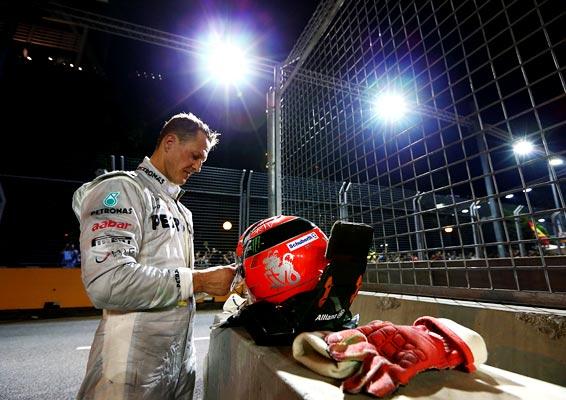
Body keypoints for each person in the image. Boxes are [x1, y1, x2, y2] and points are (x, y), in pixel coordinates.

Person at [72, 112, 237, 399]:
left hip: (178, 366)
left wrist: (218, 282)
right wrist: (198, 281)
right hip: (127, 368)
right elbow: (108, 281)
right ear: (169, 142)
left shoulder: (182, 211)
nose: (198, 167)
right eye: (195, 156)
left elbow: (177, 287)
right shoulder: (122, 188)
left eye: (203, 160)